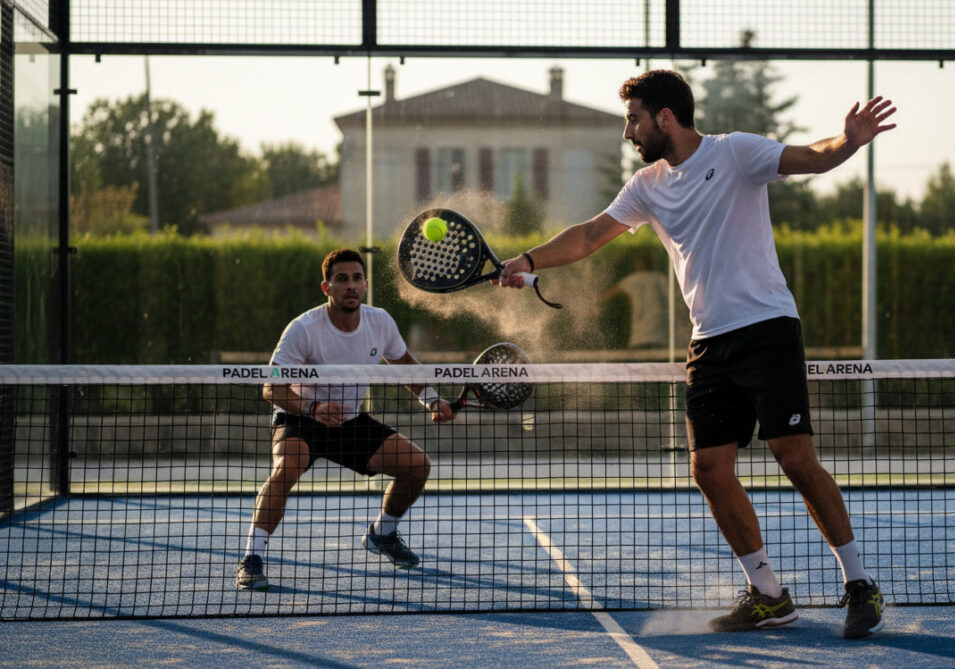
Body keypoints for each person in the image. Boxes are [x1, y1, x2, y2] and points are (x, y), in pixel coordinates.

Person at [497, 70, 895, 638]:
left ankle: (859, 583)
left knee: (794, 457)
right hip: (708, 342)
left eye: (634, 119)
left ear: (665, 117)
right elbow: (587, 236)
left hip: (767, 328)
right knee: (708, 469)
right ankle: (768, 593)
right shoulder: (646, 185)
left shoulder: (736, 153)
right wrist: (528, 260)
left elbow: (812, 157)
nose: (628, 132)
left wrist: (848, 141)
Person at [235, 248, 457, 590]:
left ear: (365, 285)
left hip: (349, 422)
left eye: (357, 278)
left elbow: (403, 364)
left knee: (417, 466)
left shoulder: (380, 322)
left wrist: (431, 399)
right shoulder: (303, 329)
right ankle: (252, 557)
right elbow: (271, 388)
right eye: (341, 279)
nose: (350, 285)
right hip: (301, 417)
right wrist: (312, 409)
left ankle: (383, 534)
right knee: (287, 467)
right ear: (327, 288)